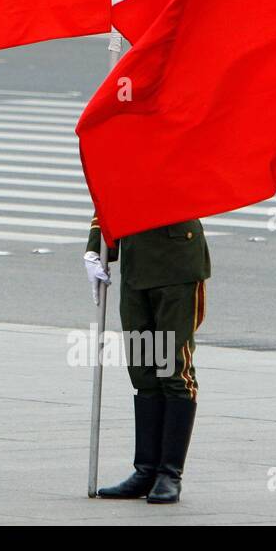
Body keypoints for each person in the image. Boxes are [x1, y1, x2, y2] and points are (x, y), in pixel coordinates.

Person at [86, 213, 210, 504]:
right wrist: (96, 247)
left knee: (172, 368)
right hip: (136, 262)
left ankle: (169, 474)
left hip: (177, 263)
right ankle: (146, 471)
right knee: (143, 370)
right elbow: (107, 190)